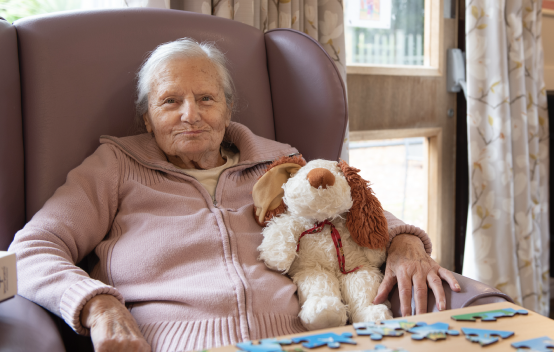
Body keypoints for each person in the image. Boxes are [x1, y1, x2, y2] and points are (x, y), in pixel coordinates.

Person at [8, 38, 460, 352]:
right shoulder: (113, 167)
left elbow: (348, 207)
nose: (191, 115)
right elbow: (31, 250)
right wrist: (98, 305)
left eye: (206, 99)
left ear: (227, 109)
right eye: (170, 101)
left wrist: (403, 243)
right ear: (146, 118)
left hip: (308, 336)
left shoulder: (279, 161)